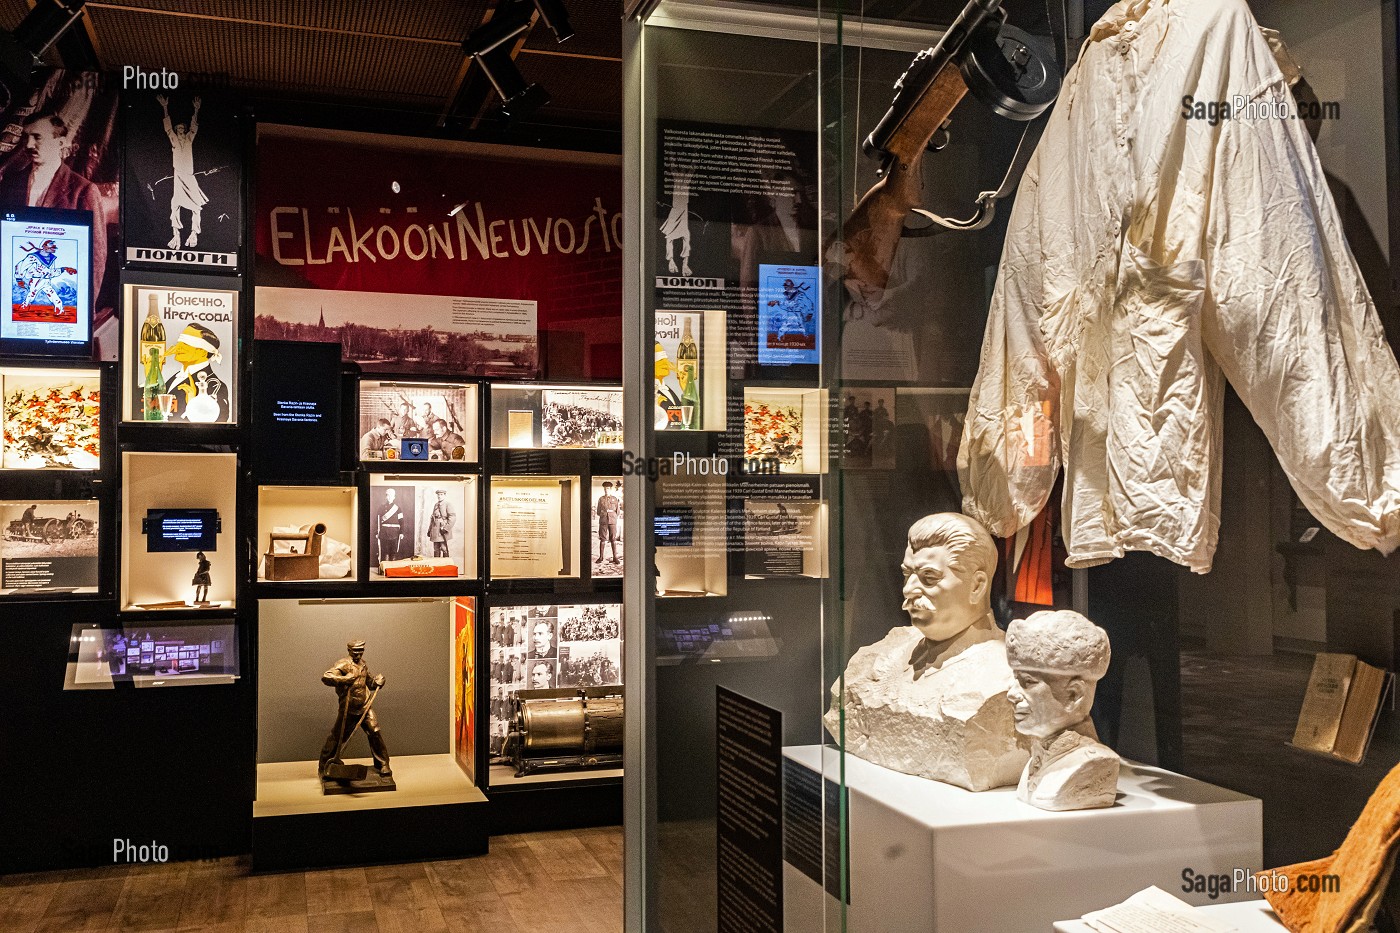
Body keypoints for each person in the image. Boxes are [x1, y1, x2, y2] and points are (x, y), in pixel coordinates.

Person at [824, 513, 1028, 791]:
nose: (908, 590)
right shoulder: (882, 653)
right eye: (907, 575)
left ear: (977, 586)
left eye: (928, 578)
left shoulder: (1005, 673)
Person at [1005, 610, 1119, 811]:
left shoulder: (1092, 763)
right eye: (1016, 679)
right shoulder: (1037, 758)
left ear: (1074, 695)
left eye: (1028, 682)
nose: (1011, 694)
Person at [0, 112, 107, 295]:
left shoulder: (83, 191)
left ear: (60, 142)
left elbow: (96, 259)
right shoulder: (10, 183)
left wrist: (85, 312)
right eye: (26, 137)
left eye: (37, 137)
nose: (28, 145)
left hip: (60, 291)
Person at [319, 640, 391, 778]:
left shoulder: (363, 665)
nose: (358, 654)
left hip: (364, 706)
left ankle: (382, 764)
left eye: (361, 651)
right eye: (355, 651)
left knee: (374, 731)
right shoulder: (344, 664)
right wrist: (345, 679)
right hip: (348, 709)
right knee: (337, 736)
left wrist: (377, 682)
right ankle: (324, 766)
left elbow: (369, 682)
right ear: (349, 651)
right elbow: (326, 676)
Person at [157, 95, 206, 249]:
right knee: (175, 204)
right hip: (179, 177)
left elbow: (194, 127)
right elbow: (168, 128)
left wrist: (196, 110)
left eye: (182, 129)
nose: (180, 131)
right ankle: (176, 236)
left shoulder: (189, 139)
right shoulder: (174, 141)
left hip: (189, 177)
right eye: (178, 129)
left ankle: (193, 234)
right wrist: (165, 107)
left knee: (196, 206)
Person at [163, 323, 228, 422]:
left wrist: (193, 404)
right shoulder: (176, 377)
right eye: (179, 342)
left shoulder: (214, 385)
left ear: (203, 351)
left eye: (186, 343)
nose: (178, 347)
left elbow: (220, 422)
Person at [14, 239, 74, 318]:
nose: (53, 248)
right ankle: (24, 307)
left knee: (54, 297)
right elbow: (21, 266)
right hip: (36, 281)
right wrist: (19, 279)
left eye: (54, 247)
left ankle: (59, 310)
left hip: (46, 281)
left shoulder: (52, 258)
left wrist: (64, 269)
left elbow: (51, 272)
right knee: (31, 295)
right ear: (44, 246)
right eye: (51, 246)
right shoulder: (33, 256)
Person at [376, 488, 404, 567]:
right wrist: (376, 532)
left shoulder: (398, 508)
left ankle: (392, 568)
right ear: (385, 496)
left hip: (395, 532)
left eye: (390, 495)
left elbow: (401, 521)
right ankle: (384, 568)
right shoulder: (381, 508)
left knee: (393, 551)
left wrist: (401, 532)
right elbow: (377, 521)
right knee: (384, 551)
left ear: (394, 497)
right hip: (384, 532)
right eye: (387, 495)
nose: (388, 497)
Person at [595, 482, 621, 565]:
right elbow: (598, 511)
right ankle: (601, 557)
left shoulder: (615, 499)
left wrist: (611, 515)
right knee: (602, 539)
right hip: (603, 520)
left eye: (608, 488)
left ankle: (615, 557)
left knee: (613, 539)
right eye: (605, 488)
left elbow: (617, 511)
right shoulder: (601, 499)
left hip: (612, 521)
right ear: (604, 489)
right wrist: (604, 515)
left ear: (611, 489)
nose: (606, 490)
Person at [427, 489, 456, 559]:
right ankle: (437, 565)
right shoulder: (436, 505)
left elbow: (452, 517)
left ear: (445, 495)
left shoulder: (448, 504)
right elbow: (432, 519)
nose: (439, 496)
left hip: (442, 529)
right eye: (438, 495)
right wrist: (429, 530)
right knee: (436, 548)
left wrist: (446, 528)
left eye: (441, 494)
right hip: (434, 529)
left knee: (443, 548)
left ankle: (446, 565)